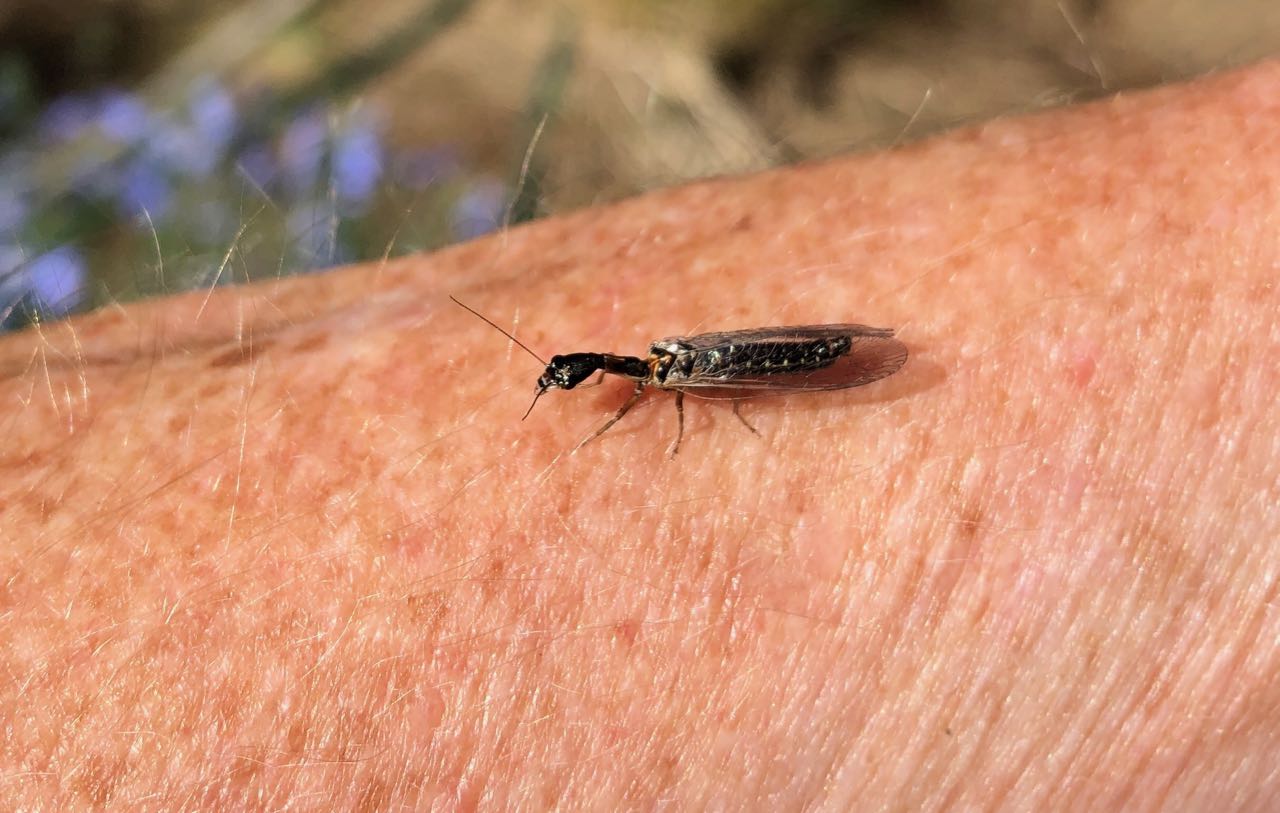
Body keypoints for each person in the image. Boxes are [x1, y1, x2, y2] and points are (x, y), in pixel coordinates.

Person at [2, 60, 1277, 809]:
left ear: (607, 378)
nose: (577, 386)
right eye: (572, 382)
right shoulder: (646, 369)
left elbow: (766, 367)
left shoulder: (668, 378)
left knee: (778, 372)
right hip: (716, 365)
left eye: (575, 379)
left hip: (760, 364)